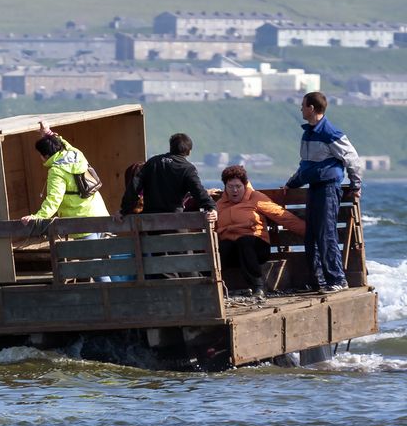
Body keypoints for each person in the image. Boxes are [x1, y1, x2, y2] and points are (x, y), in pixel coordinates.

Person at [284, 91, 363, 293]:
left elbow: (352, 159)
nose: (301, 109)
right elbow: (306, 166)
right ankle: (319, 281)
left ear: (311, 108)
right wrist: (291, 183)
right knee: (311, 235)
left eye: (303, 105)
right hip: (314, 188)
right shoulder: (308, 133)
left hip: (328, 188)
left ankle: (337, 280)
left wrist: (355, 185)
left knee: (326, 234)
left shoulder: (330, 132)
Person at [215, 165, 305, 300]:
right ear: (225, 187)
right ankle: (211, 286)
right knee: (223, 246)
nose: (234, 190)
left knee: (244, 241)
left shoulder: (256, 198)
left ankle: (258, 287)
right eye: (230, 186)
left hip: (257, 248)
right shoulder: (220, 204)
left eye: (238, 186)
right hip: (234, 252)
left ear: (245, 185)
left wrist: (308, 232)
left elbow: (282, 216)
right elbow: (212, 227)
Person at [21, 121, 109, 228]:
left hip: (82, 222)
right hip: (101, 215)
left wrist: (38, 217)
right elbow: (64, 144)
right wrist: (48, 133)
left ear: (46, 156)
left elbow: (54, 199)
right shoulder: (76, 154)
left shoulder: (56, 171)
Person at [118, 132, 217, 220]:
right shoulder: (188, 168)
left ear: (171, 147)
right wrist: (211, 207)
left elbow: (134, 186)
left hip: (150, 220)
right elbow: (198, 191)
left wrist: (123, 210)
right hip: (174, 220)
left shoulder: (152, 162)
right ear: (189, 152)